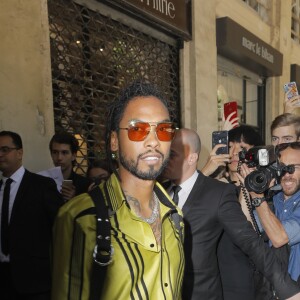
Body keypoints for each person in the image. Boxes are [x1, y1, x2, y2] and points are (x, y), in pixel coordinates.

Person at [51, 81, 185, 299]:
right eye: (138, 130)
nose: (153, 141)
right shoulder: (81, 218)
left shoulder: (176, 217)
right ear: (114, 141)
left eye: (163, 129)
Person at [162, 128, 300, 300]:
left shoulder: (229, 193)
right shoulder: (161, 190)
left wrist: (286, 288)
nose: (234, 153)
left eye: (242, 149)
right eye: (230, 147)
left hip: (235, 284)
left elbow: (252, 239)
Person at [0, 131, 63, 300]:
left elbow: (60, 227)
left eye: (5, 149)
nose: (0, 154)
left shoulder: (42, 186)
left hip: (34, 281)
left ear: (19, 153)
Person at [239, 141, 300, 286]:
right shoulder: (273, 199)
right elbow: (247, 227)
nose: (287, 174)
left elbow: (279, 237)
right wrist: (247, 185)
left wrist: (257, 197)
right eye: (283, 167)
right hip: (270, 289)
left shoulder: (263, 201)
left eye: (294, 167)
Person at [49, 132, 90, 201]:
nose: (59, 158)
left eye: (64, 152)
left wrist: (75, 199)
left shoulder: (84, 185)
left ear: (73, 156)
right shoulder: (45, 181)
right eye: (55, 152)